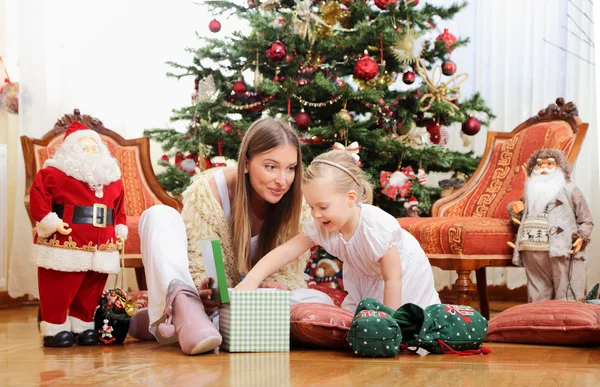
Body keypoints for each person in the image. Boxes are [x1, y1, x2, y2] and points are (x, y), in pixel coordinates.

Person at [131, 117, 332, 355]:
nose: (282, 180)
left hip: (250, 302)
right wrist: (205, 290)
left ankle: (165, 320)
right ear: (246, 163)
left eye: (291, 168)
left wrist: (271, 285)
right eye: (271, 166)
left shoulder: (300, 205)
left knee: (319, 302)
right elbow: (199, 261)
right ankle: (184, 311)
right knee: (158, 215)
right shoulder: (209, 191)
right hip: (206, 302)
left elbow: (289, 273)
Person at [236, 150, 440, 312]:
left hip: (403, 274)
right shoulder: (323, 225)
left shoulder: (376, 227)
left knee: (404, 323)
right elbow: (285, 251)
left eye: (323, 207)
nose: (316, 215)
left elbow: (393, 278)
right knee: (355, 320)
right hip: (366, 275)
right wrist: (252, 280)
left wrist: (388, 324)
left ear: (351, 198)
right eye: (311, 207)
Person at [30, 121, 128, 347]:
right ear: (71, 151)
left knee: (91, 287)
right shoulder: (53, 174)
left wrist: (120, 230)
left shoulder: (112, 180)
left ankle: (82, 326)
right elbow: (38, 199)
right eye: (84, 148)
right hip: (66, 242)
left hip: (101, 245)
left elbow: (120, 210)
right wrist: (52, 223)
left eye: (94, 148)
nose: (90, 152)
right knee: (59, 285)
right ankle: (54, 329)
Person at [508, 148, 593, 302]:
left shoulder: (570, 190)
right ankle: (539, 323)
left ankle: (569, 322)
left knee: (567, 294)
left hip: (562, 250)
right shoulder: (530, 190)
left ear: (560, 166)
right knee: (537, 294)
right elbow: (522, 216)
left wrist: (582, 236)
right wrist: (516, 211)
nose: (544, 168)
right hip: (531, 250)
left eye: (550, 163)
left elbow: (586, 219)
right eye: (539, 164)